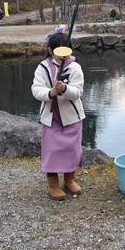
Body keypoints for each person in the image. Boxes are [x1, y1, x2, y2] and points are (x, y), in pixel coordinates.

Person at [31, 26, 86, 200]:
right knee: (52, 151)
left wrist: (64, 88)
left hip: (72, 118)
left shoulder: (75, 67)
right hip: (51, 117)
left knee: (72, 150)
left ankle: (70, 180)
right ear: (50, 50)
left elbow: (78, 91)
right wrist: (50, 93)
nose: (63, 55)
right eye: (58, 50)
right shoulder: (43, 67)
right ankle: (53, 185)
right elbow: (36, 89)